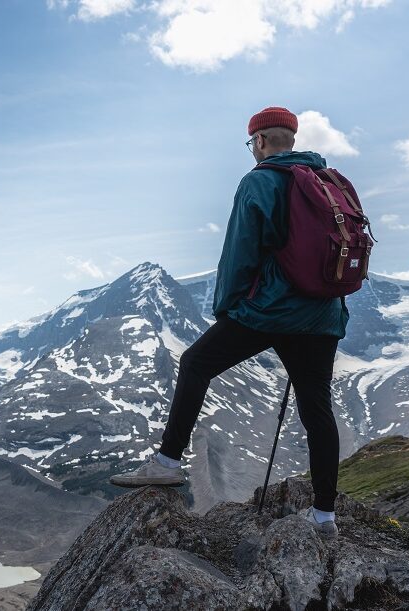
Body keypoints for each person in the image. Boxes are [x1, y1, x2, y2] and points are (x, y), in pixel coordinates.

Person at [109, 106, 350, 540]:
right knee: (317, 409)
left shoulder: (259, 180)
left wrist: (228, 310)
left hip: (270, 310)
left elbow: (239, 253)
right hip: (323, 314)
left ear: (258, 141)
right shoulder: (329, 181)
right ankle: (324, 517)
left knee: (197, 363)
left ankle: (166, 463)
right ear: (291, 138)